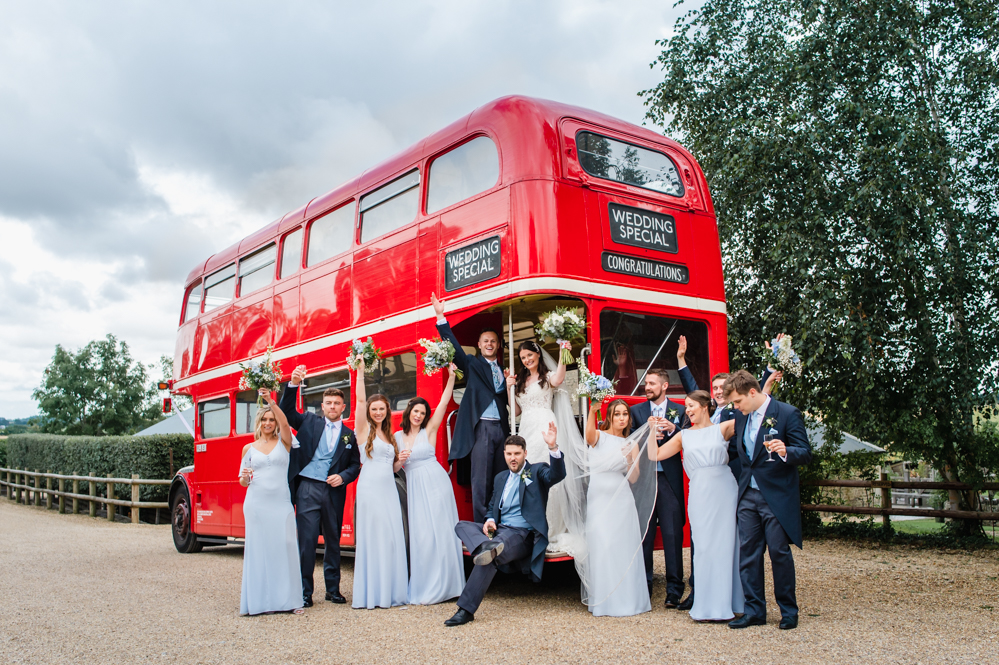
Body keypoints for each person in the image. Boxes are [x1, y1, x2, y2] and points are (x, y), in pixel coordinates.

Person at [674, 335, 779, 611]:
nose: (719, 391)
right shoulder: (703, 413)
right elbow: (692, 391)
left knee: (732, 539)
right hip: (705, 487)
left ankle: (736, 594)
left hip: (731, 478)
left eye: (723, 387)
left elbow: (756, 394)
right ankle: (701, 593)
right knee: (702, 541)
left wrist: (770, 369)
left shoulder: (736, 413)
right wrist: (681, 360)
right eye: (715, 388)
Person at [444, 427, 566, 626]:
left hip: (521, 535)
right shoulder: (500, 477)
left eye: (517, 453)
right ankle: (487, 547)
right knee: (462, 525)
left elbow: (556, 475)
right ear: (504, 455)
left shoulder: (536, 471)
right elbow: (492, 507)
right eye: (509, 454)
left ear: (525, 453)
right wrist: (490, 520)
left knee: (490, 556)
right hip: (498, 531)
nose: (513, 458)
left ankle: (465, 609)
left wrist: (552, 447)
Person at [723, 370, 812, 630]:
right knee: (748, 554)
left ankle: (788, 611)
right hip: (747, 496)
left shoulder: (787, 413)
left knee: (779, 553)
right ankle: (754, 611)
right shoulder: (741, 418)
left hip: (776, 495)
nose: (735, 408)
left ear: (752, 392)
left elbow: (805, 453)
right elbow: (737, 455)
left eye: (738, 402)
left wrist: (787, 451)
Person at [648, 390, 744, 622]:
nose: (688, 410)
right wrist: (651, 431)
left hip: (724, 490)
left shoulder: (722, 428)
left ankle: (733, 603)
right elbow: (655, 455)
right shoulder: (683, 436)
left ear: (705, 406)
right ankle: (707, 605)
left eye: (691, 406)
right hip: (699, 492)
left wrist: (768, 379)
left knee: (728, 544)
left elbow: (751, 412)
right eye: (686, 406)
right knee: (703, 546)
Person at [280, 366, 361, 608]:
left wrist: (344, 477)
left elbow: (356, 464)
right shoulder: (308, 421)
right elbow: (285, 412)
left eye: (337, 403)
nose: (333, 406)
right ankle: (305, 593)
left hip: (334, 491)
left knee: (334, 541)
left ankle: (333, 590)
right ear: (322, 406)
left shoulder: (349, 435)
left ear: (343, 407)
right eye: (329, 403)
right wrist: (293, 385)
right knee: (306, 542)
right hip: (307, 488)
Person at [432, 293, 510, 523]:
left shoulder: (504, 370)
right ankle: (480, 527)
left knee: (501, 478)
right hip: (482, 429)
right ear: (479, 344)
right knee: (481, 481)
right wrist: (440, 316)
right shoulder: (473, 364)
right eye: (485, 341)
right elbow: (454, 347)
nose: (489, 344)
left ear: (498, 345)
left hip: (502, 429)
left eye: (493, 341)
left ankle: (498, 522)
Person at [396, 363, 464, 605]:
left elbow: (445, 402)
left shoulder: (430, 430)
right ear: (408, 412)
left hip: (436, 484)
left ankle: (450, 585)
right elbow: (394, 468)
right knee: (423, 536)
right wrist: (399, 461)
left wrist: (451, 378)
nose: (419, 416)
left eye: (423, 413)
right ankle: (427, 585)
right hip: (415, 487)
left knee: (443, 532)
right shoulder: (397, 437)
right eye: (416, 411)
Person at [581, 399, 654, 617]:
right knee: (602, 546)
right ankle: (603, 600)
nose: (622, 418)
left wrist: (629, 459)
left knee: (622, 546)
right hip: (598, 498)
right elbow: (589, 436)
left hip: (621, 499)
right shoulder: (599, 437)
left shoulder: (632, 444)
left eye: (625, 414)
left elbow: (633, 478)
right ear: (610, 416)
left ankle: (628, 600)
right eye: (617, 414)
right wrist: (593, 410)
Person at [238, 391, 304, 616]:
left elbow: (286, 422)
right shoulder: (248, 448)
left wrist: (271, 403)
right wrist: (246, 478)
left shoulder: (285, 441)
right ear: (258, 422)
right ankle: (260, 602)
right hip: (256, 503)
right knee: (260, 550)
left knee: (285, 546)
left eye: (271, 419)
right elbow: (242, 481)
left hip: (281, 502)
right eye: (264, 419)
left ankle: (290, 601)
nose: (268, 423)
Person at [351, 357, 410, 609]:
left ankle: (391, 591)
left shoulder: (389, 434)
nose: (377, 411)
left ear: (387, 411)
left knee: (390, 536)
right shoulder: (363, 431)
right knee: (374, 536)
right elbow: (361, 401)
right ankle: (373, 593)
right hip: (370, 488)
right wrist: (361, 372)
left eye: (381, 409)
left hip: (388, 488)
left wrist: (401, 461)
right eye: (373, 409)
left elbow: (393, 468)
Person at [629, 368, 689, 607]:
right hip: (645, 478)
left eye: (652, 383)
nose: (648, 387)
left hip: (669, 480)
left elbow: (691, 437)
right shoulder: (636, 411)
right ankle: (644, 586)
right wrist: (646, 434)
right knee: (644, 534)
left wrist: (672, 429)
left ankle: (674, 589)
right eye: (647, 383)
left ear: (665, 386)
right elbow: (630, 439)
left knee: (673, 534)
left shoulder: (681, 410)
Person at [505, 340, 566, 464]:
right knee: (527, 460)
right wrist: (508, 388)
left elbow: (559, 379)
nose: (527, 360)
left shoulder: (548, 376)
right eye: (523, 358)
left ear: (538, 353)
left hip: (543, 424)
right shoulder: (521, 381)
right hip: (526, 426)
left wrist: (563, 353)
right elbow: (516, 412)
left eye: (529, 355)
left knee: (543, 459)